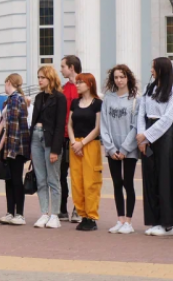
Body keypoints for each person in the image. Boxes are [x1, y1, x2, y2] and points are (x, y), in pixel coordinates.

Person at [135, 57, 173, 237]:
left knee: (164, 178)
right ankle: (154, 220)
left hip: (164, 136)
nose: (151, 70)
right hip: (147, 134)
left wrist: (147, 135)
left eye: (153, 67)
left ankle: (167, 223)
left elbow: (169, 117)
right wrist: (142, 138)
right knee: (149, 177)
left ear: (162, 69)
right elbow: (141, 113)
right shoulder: (149, 89)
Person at [100, 65, 139, 234]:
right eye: (116, 77)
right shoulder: (108, 99)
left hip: (129, 149)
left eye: (122, 77)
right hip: (112, 149)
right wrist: (110, 148)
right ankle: (120, 219)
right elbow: (104, 124)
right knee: (116, 183)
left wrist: (124, 148)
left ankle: (129, 222)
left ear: (128, 78)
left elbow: (136, 126)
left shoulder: (136, 99)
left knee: (128, 183)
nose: (119, 80)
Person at [28, 65, 66, 229]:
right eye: (38, 77)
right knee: (41, 178)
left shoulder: (59, 98)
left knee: (53, 178)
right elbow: (33, 120)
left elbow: (60, 125)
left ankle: (55, 214)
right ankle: (44, 212)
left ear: (50, 78)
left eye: (42, 77)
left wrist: (56, 149)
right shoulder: (38, 98)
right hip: (36, 137)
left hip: (50, 140)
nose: (39, 80)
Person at [0, 74, 31, 226]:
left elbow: (13, 127)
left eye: (5, 83)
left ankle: (19, 213)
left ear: (8, 82)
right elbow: (7, 125)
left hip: (16, 147)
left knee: (15, 180)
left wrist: (9, 149)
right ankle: (11, 212)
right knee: (9, 179)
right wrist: (0, 145)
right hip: (12, 146)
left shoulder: (15, 99)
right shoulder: (13, 99)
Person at [68, 73, 103, 231]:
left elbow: (97, 128)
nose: (78, 84)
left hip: (90, 145)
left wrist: (82, 143)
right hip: (75, 145)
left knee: (91, 181)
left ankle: (91, 216)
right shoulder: (75, 103)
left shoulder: (97, 104)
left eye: (81, 82)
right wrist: (74, 142)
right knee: (77, 181)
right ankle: (82, 214)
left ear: (89, 84)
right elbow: (69, 124)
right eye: (77, 82)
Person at [59, 55, 81, 222]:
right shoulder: (63, 88)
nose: (61, 70)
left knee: (77, 174)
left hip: (79, 137)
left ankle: (78, 208)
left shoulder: (84, 85)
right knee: (60, 173)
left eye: (63, 66)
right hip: (63, 136)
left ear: (71, 67)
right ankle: (62, 208)